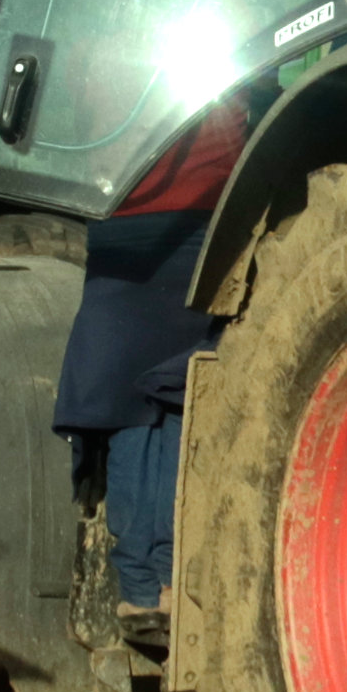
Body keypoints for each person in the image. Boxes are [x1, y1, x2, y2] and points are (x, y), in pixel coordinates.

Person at [51, 87, 258, 611]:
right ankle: (163, 578)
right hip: (202, 236)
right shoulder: (223, 61)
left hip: (122, 237)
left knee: (129, 407)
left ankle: (141, 585)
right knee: (174, 400)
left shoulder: (111, 66)